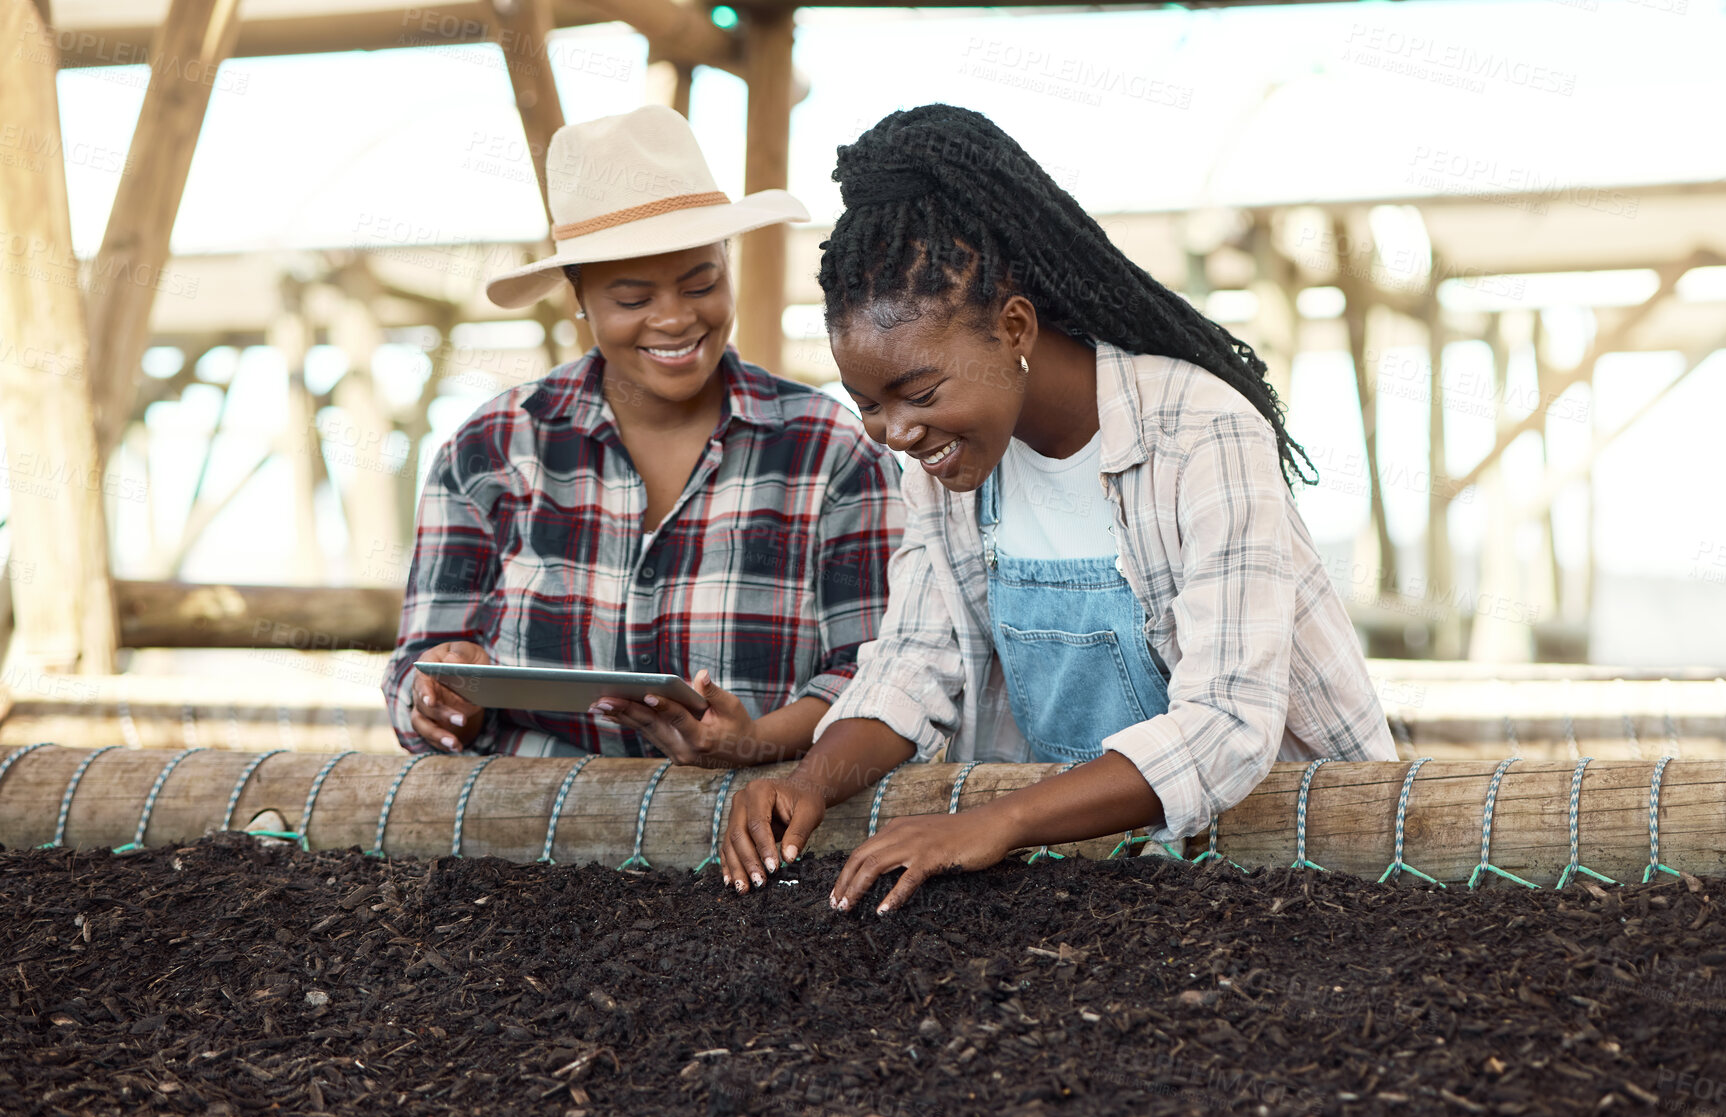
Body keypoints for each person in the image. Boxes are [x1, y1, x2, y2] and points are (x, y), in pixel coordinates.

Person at [720, 105, 1395, 906]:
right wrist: (810, 780)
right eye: (868, 403)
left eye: (919, 392)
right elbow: (914, 662)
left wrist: (993, 822)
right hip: (1094, 876)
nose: (895, 432)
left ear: (1013, 327)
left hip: (1294, 868)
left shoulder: (1199, 433)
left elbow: (1226, 720)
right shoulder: (946, 470)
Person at [382, 105, 903, 766]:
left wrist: (754, 740)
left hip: (742, 837)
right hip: (513, 838)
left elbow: (875, 672)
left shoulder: (832, 452)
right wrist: (439, 687)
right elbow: (416, 666)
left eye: (702, 283)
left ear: (726, 260)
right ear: (577, 295)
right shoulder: (490, 447)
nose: (675, 319)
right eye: (632, 299)